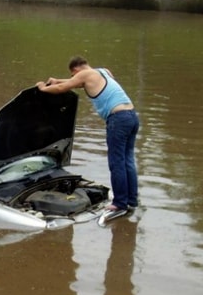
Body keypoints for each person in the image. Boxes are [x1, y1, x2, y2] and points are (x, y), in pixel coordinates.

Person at [36, 56, 139, 218]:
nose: (73, 78)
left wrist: (43, 88)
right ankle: (132, 201)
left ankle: (120, 204)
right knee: (128, 160)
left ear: (76, 70)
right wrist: (57, 80)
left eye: (72, 75)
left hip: (118, 120)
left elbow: (62, 89)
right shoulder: (103, 71)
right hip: (131, 117)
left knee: (116, 162)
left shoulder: (84, 75)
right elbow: (78, 82)